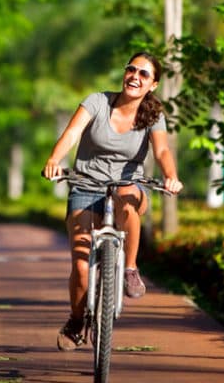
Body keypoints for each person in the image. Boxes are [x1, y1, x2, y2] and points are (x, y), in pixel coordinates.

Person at [42, 52, 184, 351]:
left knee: (126, 196)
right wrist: (55, 159)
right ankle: (77, 320)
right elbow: (71, 134)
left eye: (143, 74)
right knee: (81, 268)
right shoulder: (97, 102)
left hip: (127, 188)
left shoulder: (154, 116)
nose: (135, 76)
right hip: (87, 185)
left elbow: (161, 153)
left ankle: (130, 268)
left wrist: (171, 176)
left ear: (153, 84)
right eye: (131, 69)